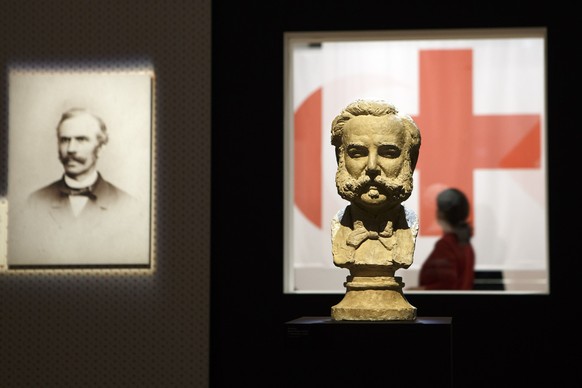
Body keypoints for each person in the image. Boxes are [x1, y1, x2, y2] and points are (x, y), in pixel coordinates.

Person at [10, 107, 149, 266]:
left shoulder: (128, 206)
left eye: (81, 139)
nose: (70, 149)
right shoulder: (35, 202)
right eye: (64, 140)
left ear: (101, 148)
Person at [330, 99, 421, 272]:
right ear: (340, 159)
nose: (372, 166)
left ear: (410, 161)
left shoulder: (409, 224)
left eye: (388, 153)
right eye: (357, 153)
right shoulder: (338, 224)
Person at [415, 188, 475, 290]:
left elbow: (447, 286)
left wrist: (419, 291)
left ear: (440, 213)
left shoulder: (446, 245)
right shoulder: (466, 245)